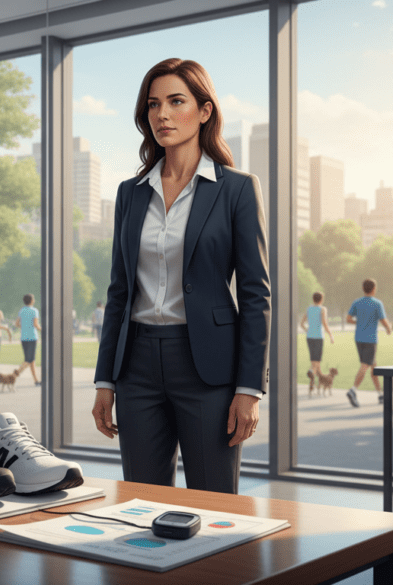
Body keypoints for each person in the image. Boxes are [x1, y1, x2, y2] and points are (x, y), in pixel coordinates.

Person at [91, 59, 270, 495]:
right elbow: (119, 292)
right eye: (153, 105)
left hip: (207, 367)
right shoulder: (129, 194)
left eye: (176, 101)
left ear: (204, 111)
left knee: (213, 501)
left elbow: (255, 294)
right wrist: (105, 381)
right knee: (141, 502)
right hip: (136, 367)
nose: (162, 115)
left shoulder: (238, 189)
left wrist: (250, 387)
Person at [345, 278, 392, 408]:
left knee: (373, 367)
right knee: (365, 366)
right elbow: (383, 320)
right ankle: (353, 390)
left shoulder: (357, 302)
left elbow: (348, 319)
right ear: (374, 289)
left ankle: (380, 394)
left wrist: (358, 322)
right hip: (370, 339)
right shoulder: (377, 303)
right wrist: (388, 329)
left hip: (358, 338)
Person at [300, 291, 334, 388]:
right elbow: (324, 323)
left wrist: (308, 330)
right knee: (316, 361)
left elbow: (301, 324)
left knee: (315, 361)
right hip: (319, 337)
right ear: (321, 299)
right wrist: (331, 335)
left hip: (310, 337)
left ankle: (314, 382)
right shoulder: (323, 309)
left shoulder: (308, 309)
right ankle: (311, 372)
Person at [15, 293, 42, 386]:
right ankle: (14, 375)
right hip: (32, 337)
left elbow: (17, 324)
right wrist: (43, 329)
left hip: (23, 338)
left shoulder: (22, 310)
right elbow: (36, 324)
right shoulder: (34, 311)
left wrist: (24, 326)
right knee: (29, 360)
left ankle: (36, 380)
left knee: (31, 360)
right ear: (31, 301)